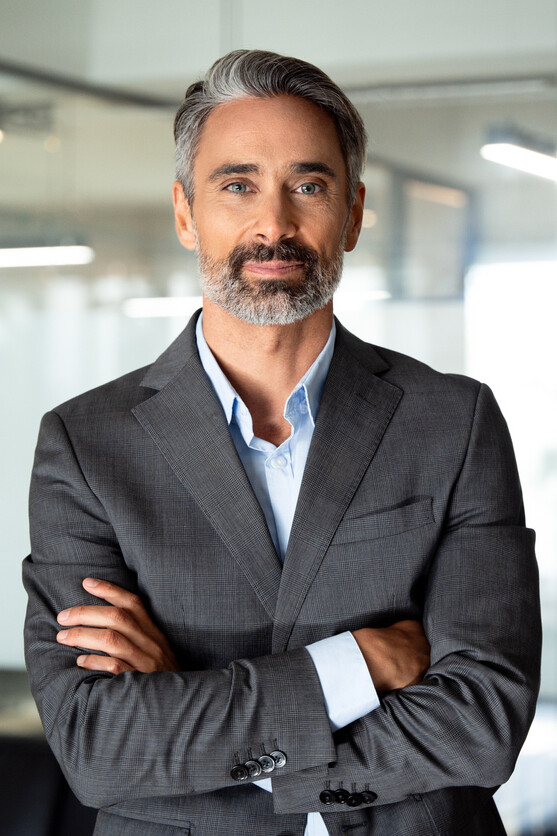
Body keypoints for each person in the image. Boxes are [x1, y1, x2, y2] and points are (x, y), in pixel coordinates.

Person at [23, 50, 541, 836]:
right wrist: (358, 664)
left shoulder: (452, 421)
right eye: (237, 185)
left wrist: (194, 728)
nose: (274, 223)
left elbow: (482, 721)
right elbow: (99, 747)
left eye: (308, 185)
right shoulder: (87, 445)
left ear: (354, 211)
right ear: (185, 211)